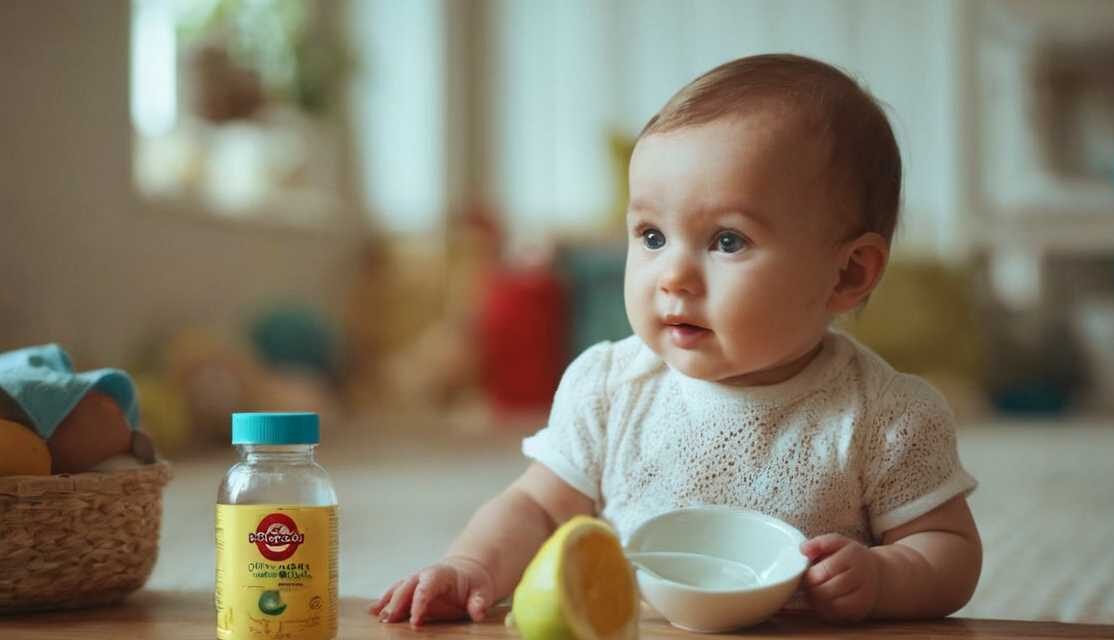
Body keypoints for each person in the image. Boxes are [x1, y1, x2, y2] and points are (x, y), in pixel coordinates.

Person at [371, 53, 981, 626]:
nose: (674, 277)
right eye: (652, 235)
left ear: (847, 273)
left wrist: (883, 577)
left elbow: (949, 552)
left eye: (727, 241)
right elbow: (535, 507)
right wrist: (470, 566)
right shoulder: (610, 388)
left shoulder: (886, 417)